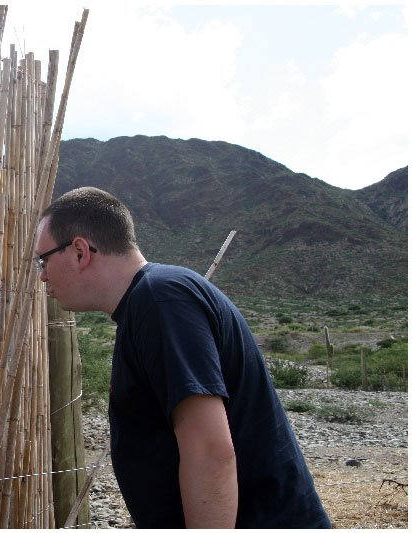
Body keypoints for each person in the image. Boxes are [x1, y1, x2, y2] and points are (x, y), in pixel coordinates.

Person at [34, 186, 331, 528]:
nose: (42, 275)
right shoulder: (149, 303)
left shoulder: (161, 301)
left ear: (80, 252)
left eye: (44, 260)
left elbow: (210, 452)